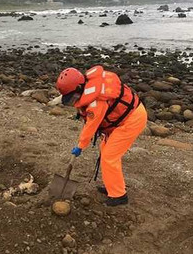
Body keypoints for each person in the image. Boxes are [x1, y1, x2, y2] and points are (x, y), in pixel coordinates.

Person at [56, 65, 147, 206]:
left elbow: (90, 128)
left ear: (80, 88)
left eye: (73, 97)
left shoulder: (96, 104)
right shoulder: (86, 86)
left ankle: (119, 196)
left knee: (110, 156)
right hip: (123, 120)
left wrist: (80, 146)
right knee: (105, 150)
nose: (73, 101)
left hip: (132, 120)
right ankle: (113, 187)